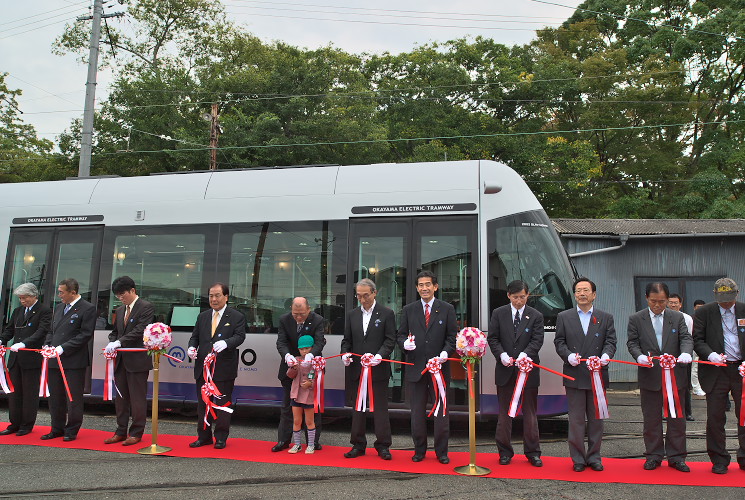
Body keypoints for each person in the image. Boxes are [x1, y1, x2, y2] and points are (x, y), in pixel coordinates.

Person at [627, 282, 693, 473]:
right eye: (654, 301)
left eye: (662, 302)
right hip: (650, 375)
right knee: (651, 419)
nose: (658, 305)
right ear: (647, 298)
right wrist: (638, 355)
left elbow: (686, 338)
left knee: (677, 418)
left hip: (675, 375)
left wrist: (686, 353)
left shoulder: (677, 317)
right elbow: (632, 342)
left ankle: (677, 456)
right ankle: (653, 455)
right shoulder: (636, 318)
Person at [554, 277, 616, 472]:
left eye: (586, 290)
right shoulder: (564, 316)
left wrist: (605, 356)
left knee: (597, 420)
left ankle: (595, 457)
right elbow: (559, 342)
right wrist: (568, 355)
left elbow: (611, 342)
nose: (582, 294)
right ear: (574, 295)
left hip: (597, 375)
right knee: (576, 420)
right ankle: (578, 458)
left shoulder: (605, 317)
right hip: (574, 374)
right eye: (578, 291)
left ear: (594, 294)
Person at [397, 271, 457, 464]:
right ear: (416, 288)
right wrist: (404, 345)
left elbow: (452, 337)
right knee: (416, 412)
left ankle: (442, 452)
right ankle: (419, 450)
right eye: (421, 285)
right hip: (416, 370)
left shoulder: (447, 308)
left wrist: (446, 353)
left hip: (439, 370)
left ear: (435, 286)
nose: (424, 288)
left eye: (428, 284)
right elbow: (400, 335)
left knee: (441, 412)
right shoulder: (409, 309)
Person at [487, 279, 545, 467]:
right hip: (505, 370)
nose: (519, 301)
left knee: (530, 414)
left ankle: (533, 452)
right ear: (508, 296)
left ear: (528, 295)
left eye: (522, 297)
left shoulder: (535, 315)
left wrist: (525, 354)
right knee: (504, 415)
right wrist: (501, 354)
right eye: (515, 297)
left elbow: (537, 340)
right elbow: (493, 338)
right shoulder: (499, 313)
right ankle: (504, 452)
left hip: (528, 370)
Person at [692, 278, 745, 474]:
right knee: (715, 416)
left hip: (741, 370)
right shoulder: (704, 313)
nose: (726, 304)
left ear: (737, 294)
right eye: (722, 300)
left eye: (730, 300)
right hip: (716, 370)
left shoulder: (744, 310)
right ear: (715, 296)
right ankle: (719, 458)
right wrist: (711, 354)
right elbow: (697, 340)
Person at [340, 279, 396, 460]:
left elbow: (390, 339)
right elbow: (346, 340)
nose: (362, 299)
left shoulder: (387, 314)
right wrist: (345, 354)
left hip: (378, 370)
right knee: (358, 409)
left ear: (374, 293)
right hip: (357, 370)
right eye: (359, 296)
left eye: (365, 295)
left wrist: (380, 356)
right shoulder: (352, 314)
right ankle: (358, 444)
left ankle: (383, 446)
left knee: (380, 409)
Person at [187, 283, 246, 449]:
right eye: (211, 296)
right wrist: (191, 347)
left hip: (223, 369)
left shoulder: (236, 316)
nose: (213, 299)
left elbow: (240, 337)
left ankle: (221, 437)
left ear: (226, 297)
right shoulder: (203, 316)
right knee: (202, 404)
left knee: (222, 404)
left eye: (217, 295)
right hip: (203, 369)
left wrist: (227, 343)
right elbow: (195, 337)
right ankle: (203, 436)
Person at [102, 276, 155, 446]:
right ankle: (120, 431)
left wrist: (120, 342)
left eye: (123, 294)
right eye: (117, 296)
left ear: (133, 290)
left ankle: (136, 432)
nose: (121, 298)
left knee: (137, 398)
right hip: (121, 360)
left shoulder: (145, 307)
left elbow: (141, 330)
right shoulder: (119, 310)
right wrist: (112, 341)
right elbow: (115, 332)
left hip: (137, 360)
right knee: (121, 397)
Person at [42, 278, 96, 442]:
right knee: (55, 397)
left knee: (73, 397)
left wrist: (63, 347)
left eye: (62, 292)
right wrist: (47, 345)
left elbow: (85, 334)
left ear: (73, 292)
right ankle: (56, 428)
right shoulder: (59, 308)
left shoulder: (87, 308)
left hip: (73, 361)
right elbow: (52, 330)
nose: (59, 295)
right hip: (54, 359)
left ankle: (71, 429)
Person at [273, 297, 326, 452]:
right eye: (295, 313)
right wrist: (287, 356)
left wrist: (312, 355)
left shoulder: (317, 320)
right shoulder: (284, 320)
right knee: (287, 407)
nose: (298, 317)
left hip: (311, 369)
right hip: (291, 370)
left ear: (308, 309)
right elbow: (281, 342)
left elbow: (320, 341)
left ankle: (313, 442)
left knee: (312, 407)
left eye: (302, 313)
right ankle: (284, 440)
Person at [0, 283, 52, 436]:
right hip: (15, 359)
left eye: (25, 298)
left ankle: (26, 425)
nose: (23, 301)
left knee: (30, 393)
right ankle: (14, 423)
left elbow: (42, 331)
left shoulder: (44, 311)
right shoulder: (17, 311)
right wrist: (2, 340)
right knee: (14, 393)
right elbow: (9, 330)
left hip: (31, 359)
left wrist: (24, 343)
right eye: (20, 298)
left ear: (34, 296)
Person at [286, 335, 318, 454]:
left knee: (309, 421)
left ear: (312, 348)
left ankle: (311, 445)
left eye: (307, 348)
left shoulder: (315, 361)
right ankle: (297, 444)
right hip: (296, 394)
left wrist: (311, 383)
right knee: (296, 420)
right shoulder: (296, 359)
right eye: (301, 349)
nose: (304, 351)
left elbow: (318, 378)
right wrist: (293, 367)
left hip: (309, 396)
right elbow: (289, 375)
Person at [668, 293, 695, 421]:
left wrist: (686, 353)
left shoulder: (687, 318)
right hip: (667, 359)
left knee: (684, 385)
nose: (673, 304)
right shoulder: (664, 317)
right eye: (671, 302)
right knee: (667, 384)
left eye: (675, 302)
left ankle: (687, 412)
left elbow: (688, 338)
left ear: (680, 304)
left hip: (683, 356)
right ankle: (668, 411)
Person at [691, 299, 707, 397]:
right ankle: (696, 388)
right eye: (698, 308)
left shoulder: (707, 318)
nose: (699, 310)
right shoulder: (691, 318)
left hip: (706, 346)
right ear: (694, 308)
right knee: (695, 368)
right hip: (694, 346)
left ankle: (703, 386)